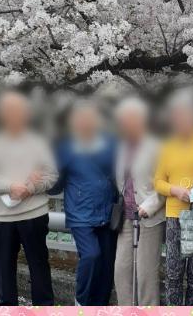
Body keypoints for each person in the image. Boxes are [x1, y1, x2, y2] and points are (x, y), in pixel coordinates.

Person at [0, 91, 58, 304]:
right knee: (4, 271)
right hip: (1, 217)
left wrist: (31, 187)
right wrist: (11, 186)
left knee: (40, 267)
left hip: (34, 214)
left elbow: (52, 175)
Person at [52, 100, 117, 305]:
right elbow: (56, 183)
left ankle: (100, 306)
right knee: (91, 255)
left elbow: (119, 172)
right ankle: (81, 300)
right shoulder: (66, 147)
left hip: (107, 210)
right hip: (80, 213)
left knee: (106, 265)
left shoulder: (109, 143)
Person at [153, 89, 193, 305]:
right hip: (174, 216)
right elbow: (158, 182)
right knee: (174, 275)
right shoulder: (167, 146)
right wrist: (175, 190)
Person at [113, 96, 166, 305]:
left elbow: (164, 182)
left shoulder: (156, 146)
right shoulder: (122, 146)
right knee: (121, 269)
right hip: (127, 217)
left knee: (145, 274)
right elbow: (121, 180)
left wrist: (149, 206)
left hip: (150, 218)